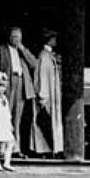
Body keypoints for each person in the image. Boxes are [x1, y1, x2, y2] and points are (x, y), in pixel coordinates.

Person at [0, 27, 38, 156]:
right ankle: (1, 149)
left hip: (21, 84)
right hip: (7, 85)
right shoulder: (0, 49)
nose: (16, 40)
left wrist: (22, 48)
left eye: (19, 37)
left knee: (17, 118)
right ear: (9, 37)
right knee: (4, 117)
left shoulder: (22, 52)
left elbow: (35, 64)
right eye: (14, 37)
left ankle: (15, 148)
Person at [31, 29, 63, 157]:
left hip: (52, 93)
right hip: (47, 94)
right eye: (54, 38)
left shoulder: (50, 55)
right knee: (46, 121)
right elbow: (43, 76)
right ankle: (45, 149)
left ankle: (51, 148)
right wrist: (43, 95)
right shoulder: (44, 56)